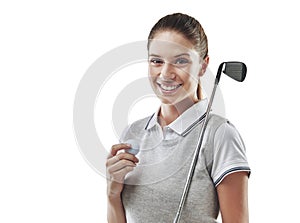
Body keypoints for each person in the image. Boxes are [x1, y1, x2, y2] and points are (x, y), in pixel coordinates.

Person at [106, 12, 250, 223]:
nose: (166, 73)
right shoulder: (133, 133)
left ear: (203, 65)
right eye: (156, 61)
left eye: (180, 61)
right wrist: (112, 192)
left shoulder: (220, 135)